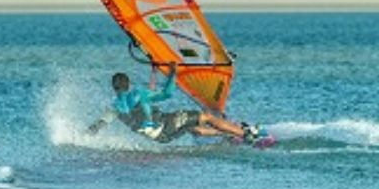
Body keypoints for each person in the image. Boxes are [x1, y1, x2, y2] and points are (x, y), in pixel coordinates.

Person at [88, 64, 259, 144]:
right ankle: (245, 133)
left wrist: (81, 136)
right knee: (205, 116)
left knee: (192, 128)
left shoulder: (114, 109)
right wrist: (173, 74)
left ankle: (227, 135)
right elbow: (167, 93)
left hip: (160, 139)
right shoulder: (137, 93)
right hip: (165, 124)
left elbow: (97, 126)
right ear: (128, 83)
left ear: (114, 87)